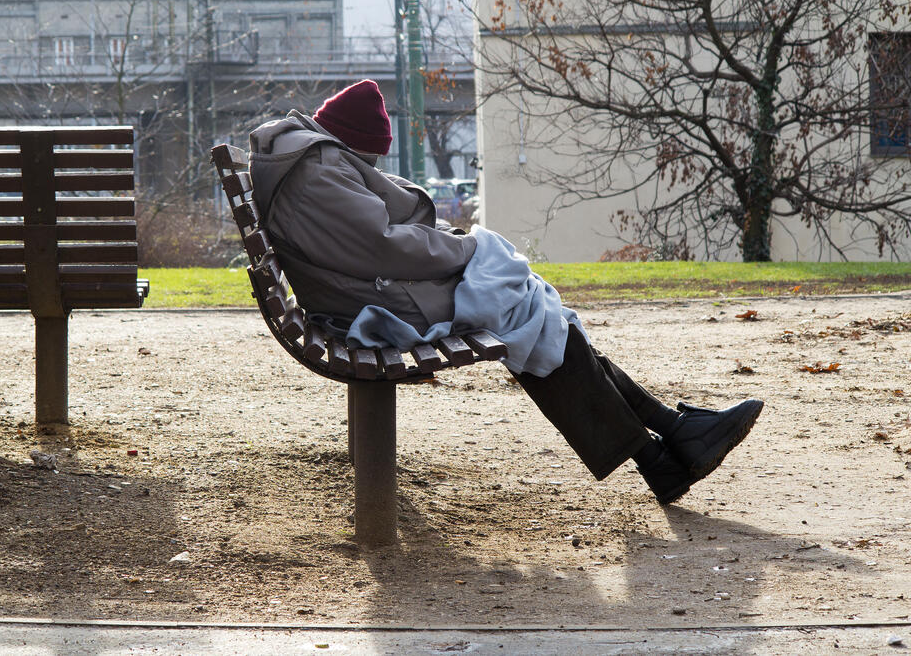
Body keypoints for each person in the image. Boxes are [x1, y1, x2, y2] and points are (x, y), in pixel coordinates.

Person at [247, 79, 763, 505]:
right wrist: (466, 251)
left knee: (531, 304)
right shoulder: (315, 171)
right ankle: (666, 445)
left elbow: (369, 241)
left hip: (368, 292)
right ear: (350, 140)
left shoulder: (314, 161)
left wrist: (459, 248)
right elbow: (380, 245)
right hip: (375, 304)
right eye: (370, 158)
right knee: (522, 305)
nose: (374, 168)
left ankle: (667, 442)